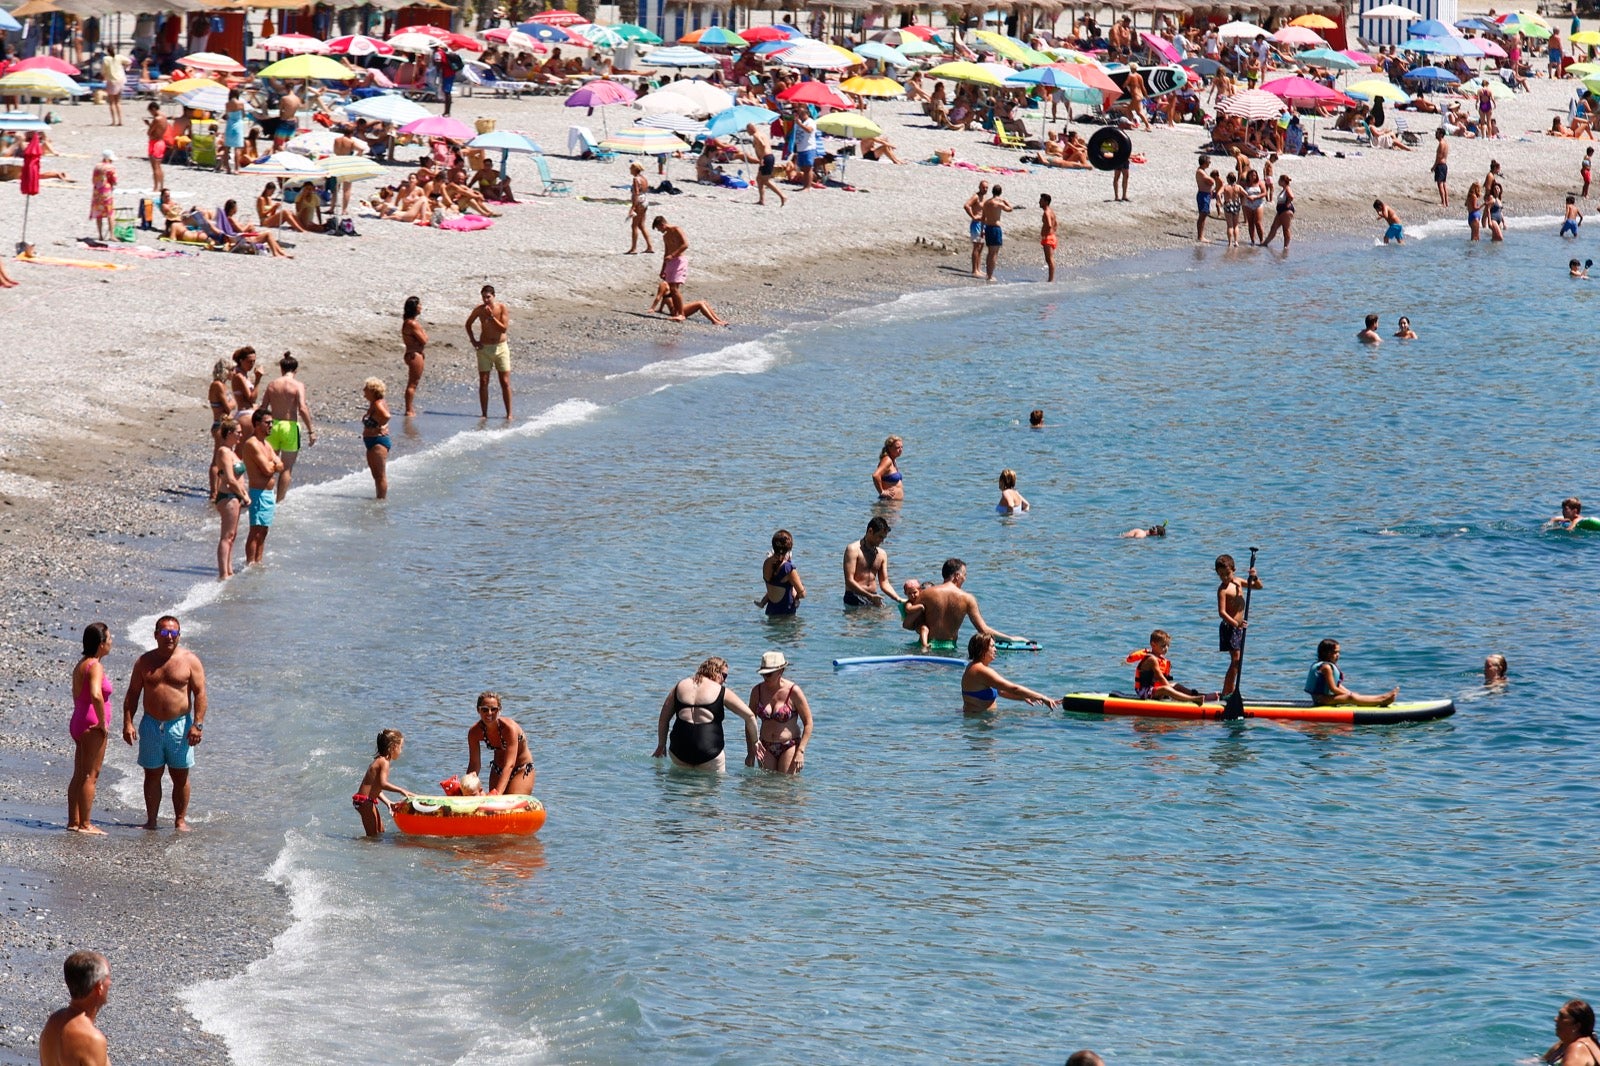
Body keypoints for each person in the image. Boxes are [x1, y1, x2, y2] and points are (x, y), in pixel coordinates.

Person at [121, 615, 207, 831]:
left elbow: (200, 694)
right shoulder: (144, 662)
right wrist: (128, 723)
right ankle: (151, 820)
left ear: (179, 635)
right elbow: (132, 694)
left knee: (180, 774)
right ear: (156, 635)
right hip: (151, 724)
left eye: (174, 633)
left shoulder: (190, 661)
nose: (170, 637)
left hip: (180, 725)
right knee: (152, 774)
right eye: (165, 632)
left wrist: (198, 724)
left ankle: (180, 820)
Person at [652, 657, 759, 772]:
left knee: (678, 788)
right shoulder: (720, 691)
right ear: (716, 671)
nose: (724, 680)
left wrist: (661, 745)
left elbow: (663, 719)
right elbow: (750, 716)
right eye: (724, 675)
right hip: (710, 753)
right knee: (710, 789)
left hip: (679, 751)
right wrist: (755, 742)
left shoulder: (680, 686)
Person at [68, 622, 113, 834]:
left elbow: (79, 694)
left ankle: (74, 821)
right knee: (91, 775)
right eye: (109, 638)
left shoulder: (81, 664)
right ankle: (85, 824)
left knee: (79, 772)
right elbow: (96, 694)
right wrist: (103, 723)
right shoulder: (95, 665)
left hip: (79, 720)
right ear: (101, 643)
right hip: (91, 724)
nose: (112, 642)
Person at [919, 558, 1027, 645]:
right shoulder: (967, 599)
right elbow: (983, 630)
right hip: (949, 648)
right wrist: (1011, 639)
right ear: (957, 576)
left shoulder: (927, 593)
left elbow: (908, 623)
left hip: (925, 645)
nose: (965, 579)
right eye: (964, 575)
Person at [650, 215, 728, 325]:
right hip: (670, 262)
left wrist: (673, 255)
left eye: (659, 228)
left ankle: (681, 314)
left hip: (678, 260)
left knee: (674, 288)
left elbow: (685, 244)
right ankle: (714, 320)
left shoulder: (677, 229)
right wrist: (663, 269)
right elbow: (666, 253)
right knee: (673, 288)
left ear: (662, 224)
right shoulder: (665, 237)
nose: (660, 231)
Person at [38, 951, 111, 1066]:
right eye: (108, 976)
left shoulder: (53, 1022)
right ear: (99, 987)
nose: (110, 982)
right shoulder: (92, 1039)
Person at [262, 352, 316, 501]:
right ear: (296, 370)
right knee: (286, 468)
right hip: (290, 426)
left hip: (273, 425)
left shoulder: (272, 384)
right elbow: (303, 408)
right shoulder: (298, 385)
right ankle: (279, 501)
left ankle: (265, 497)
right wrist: (311, 430)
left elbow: (263, 407)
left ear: (281, 369)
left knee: (270, 464)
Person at [961, 633, 1059, 713]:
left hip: (978, 721)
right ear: (983, 649)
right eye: (992, 646)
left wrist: (1025, 697)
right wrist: (1042, 697)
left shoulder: (973, 667)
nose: (996, 650)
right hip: (980, 723)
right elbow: (1014, 688)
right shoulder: (981, 670)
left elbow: (1001, 691)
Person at [748, 651, 811, 773]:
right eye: (763, 674)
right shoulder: (757, 691)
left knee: (784, 786)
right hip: (765, 745)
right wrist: (750, 752)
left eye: (769, 674)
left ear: (781, 671)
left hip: (789, 745)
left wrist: (800, 751)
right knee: (766, 789)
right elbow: (750, 721)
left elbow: (808, 722)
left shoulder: (794, 691)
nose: (765, 677)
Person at [465, 691, 535, 795]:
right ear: (478, 710)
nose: (489, 713)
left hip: (521, 769)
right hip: (498, 769)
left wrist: (497, 793)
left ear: (499, 710)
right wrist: (466, 787)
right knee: (491, 807)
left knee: (509, 803)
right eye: (484, 709)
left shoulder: (509, 729)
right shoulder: (474, 732)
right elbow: (474, 764)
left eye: (494, 709)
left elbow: (509, 764)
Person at [239, 409, 282, 565]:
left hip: (269, 493)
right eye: (267, 423)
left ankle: (258, 561)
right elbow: (268, 469)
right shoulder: (252, 444)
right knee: (256, 530)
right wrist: (273, 464)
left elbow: (280, 465)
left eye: (272, 423)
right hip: (258, 493)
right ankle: (250, 563)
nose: (271, 426)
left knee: (264, 530)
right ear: (257, 424)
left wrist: (273, 464)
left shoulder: (266, 444)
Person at [1216, 553, 1262, 697]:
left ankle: (1229, 690)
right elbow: (1222, 612)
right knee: (1236, 660)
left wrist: (1254, 577)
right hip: (1229, 627)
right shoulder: (1222, 590)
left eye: (1227, 574)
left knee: (1237, 660)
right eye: (1221, 575)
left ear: (1234, 570)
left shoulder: (1238, 582)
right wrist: (1236, 623)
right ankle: (1227, 692)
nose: (1224, 577)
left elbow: (1258, 587)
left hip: (1238, 628)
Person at [207, 417, 248, 579]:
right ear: (229, 433)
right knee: (226, 536)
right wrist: (244, 495)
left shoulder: (231, 451)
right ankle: (223, 573)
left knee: (232, 536)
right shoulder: (223, 451)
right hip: (228, 496)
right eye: (238, 432)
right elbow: (230, 479)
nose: (241, 435)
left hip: (234, 497)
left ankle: (229, 570)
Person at [352, 729, 413, 836]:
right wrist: (401, 790)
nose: (401, 751)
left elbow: (375, 787)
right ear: (393, 747)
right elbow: (383, 784)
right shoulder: (383, 762)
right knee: (373, 837)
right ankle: (362, 849)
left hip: (366, 801)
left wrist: (388, 802)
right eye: (401, 747)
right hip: (365, 802)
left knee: (380, 832)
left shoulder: (380, 760)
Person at [465, 283, 513, 419]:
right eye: (483, 297)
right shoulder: (479, 310)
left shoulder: (501, 308)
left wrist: (491, 317)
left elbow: (503, 328)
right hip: (484, 348)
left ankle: (509, 414)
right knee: (484, 381)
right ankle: (484, 413)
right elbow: (468, 324)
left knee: (504, 381)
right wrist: (473, 341)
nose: (486, 300)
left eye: (488, 297)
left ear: (494, 296)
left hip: (501, 347)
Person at [1305, 638, 1398, 706]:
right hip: (1321, 700)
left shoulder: (1326, 666)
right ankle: (1382, 700)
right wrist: (1349, 695)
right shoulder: (1326, 668)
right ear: (1325, 653)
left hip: (1324, 698)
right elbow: (1333, 689)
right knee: (1350, 698)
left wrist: (1350, 692)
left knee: (1353, 695)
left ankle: (1380, 698)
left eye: (1338, 652)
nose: (1338, 655)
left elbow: (1338, 685)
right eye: (1335, 652)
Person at [1127, 629, 1207, 703]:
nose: (1166, 648)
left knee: (1176, 685)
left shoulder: (1159, 658)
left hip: (1152, 690)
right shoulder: (1152, 659)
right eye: (1163, 646)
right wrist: (1171, 690)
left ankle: (1201, 696)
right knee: (1166, 689)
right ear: (1153, 644)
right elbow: (1160, 677)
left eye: (1168, 645)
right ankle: (1193, 699)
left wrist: (1172, 688)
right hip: (1144, 692)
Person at [843, 515, 904, 607]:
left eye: (884, 538)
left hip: (873, 596)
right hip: (854, 596)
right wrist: (870, 596)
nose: (882, 541)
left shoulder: (882, 554)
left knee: (887, 616)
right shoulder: (853, 550)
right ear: (870, 531)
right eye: (880, 537)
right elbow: (849, 581)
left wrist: (898, 599)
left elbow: (884, 583)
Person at [756, 528, 806, 615]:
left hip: (770, 612)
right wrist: (796, 597)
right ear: (789, 548)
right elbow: (802, 594)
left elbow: (774, 587)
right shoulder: (788, 568)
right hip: (786, 615)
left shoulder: (766, 563)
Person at [1544, 1000, 1600, 1065]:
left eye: (1562, 1016)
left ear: (1576, 1026)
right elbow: (1539, 1060)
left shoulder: (1577, 1048)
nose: (1555, 1019)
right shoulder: (1563, 1044)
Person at [361, 377, 390, 500]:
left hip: (378, 442)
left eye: (366, 389)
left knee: (380, 475)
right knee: (375, 474)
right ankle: (379, 497)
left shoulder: (378, 404)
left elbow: (387, 416)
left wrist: (380, 426)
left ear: (373, 391)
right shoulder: (374, 403)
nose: (363, 391)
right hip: (371, 441)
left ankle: (381, 501)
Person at [747, 123, 786, 208]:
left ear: (751, 129)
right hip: (769, 157)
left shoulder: (756, 135)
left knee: (765, 180)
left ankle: (782, 196)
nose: (747, 132)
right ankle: (761, 200)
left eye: (747, 130)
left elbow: (763, 145)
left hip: (766, 158)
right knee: (759, 179)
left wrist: (762, 159)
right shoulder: (761, 134)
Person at [980, 185, 1014, 282]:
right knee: (994, 253)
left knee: (990, 252)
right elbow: (1010, 209)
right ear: (1000, 192)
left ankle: (988, 274)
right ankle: (990, 276)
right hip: (995, 228)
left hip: (987, 228)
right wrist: (1004, 201)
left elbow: (983, 218)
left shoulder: (986, 203)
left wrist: (982, 230)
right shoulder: (998, 203)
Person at [401, 295, 426, 417]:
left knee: (413, 382)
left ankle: (409, 408)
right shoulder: (412, 324)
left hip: (411, 353)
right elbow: (424, 340)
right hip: (415, 354)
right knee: (413, 383)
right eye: (419, 305)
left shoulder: (407, 322)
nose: (421, 307)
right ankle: (409, 409)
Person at [626, 162, 654, 252]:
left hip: (639, 202)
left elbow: (636, 194)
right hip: (645, 200)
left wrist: (633, 207)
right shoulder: (644, 178)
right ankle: (650, 246)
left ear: (635, 169)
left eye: (631, 168)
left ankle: (634, 248)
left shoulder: (636, 179)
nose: (630, 169)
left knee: (634, 225)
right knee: (641, 225)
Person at [964, 180, 989, 276]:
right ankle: (974, 270)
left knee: (981, 246)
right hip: (976, 224)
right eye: (983, 187)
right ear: (979, 187)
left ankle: (978, 268)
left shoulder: (985, 198)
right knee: (976, 246)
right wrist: (973, 216)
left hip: (983, 224)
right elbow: (966, 206)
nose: (985, 189)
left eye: (986, 188)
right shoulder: (976, 197)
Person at [89, 150, 116, 242]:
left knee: (99, 213)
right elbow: (114, 180)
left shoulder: (97, 166)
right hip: (106, 191)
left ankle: (100, 235)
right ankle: (112, 235)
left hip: (97, 191)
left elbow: (93, 180)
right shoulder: (110, 167)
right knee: (110, 213)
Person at [1263, 174, 1294, 249]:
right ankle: (1265, 243)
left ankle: (1286, 246)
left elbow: (1291, 196)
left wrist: (1288, 203)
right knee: (1273, 227)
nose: (1278, 182)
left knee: (1285, 229)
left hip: (1286, 210)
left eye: (1279, 180)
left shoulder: (1287, 188)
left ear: (1283, 181)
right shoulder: (1284, 189)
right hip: (1280, 210)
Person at [873, 435, 904, 500]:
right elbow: (875, 475)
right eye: (897, 447)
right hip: (887, 504)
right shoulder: (887, 460)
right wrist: (882, 492)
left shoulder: (893, 460)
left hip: (893, 505)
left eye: (901, 447)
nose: (900, 450)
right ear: (889, 448)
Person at [144, 101, 166, 191]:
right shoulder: (164, 117)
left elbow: (149, 132)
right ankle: (161, 186)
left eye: (150, 111)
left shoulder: (157, 119)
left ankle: (155, 187)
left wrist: (148, 125)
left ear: (153, 109)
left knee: (155, 167)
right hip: (161, 141)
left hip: (155, 142)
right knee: (159, 166)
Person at [102, 50, 125, 127]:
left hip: (111, 80)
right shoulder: (119, 57)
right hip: (120, 79)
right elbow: (129, 61)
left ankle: (114, 121)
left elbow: (103, 71)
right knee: (118, 102)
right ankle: (120, 120)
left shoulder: (106, 59)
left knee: (112, 102)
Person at [1195, 155, 1215, 242]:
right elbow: (1211, 181)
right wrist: (1212, 180)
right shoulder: (1200, 172)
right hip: (1203, 195)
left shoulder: (1203, 171)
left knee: (1204, 215)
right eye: (1209, 162)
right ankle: (1200, 236)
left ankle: (1201, 235)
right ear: (1204, 162)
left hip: (1206, 195)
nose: (1210, 163)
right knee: (1202, 215)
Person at [1039, 192, 1058, 282]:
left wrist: (1045, 235)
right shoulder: (1051, 211)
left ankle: (1051, 280)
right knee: (1049, 259)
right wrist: (1053, 232)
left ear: (1046, 202)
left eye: (1041, 200)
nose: (1039, 202)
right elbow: (1056, 224)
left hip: (1048, 238)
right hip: (1052, 236)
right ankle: (1051, 279)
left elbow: (1050, 225)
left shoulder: (1047, 212)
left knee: (1049, 259)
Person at [1433, 127, 1449, 206]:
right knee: (1443, 183)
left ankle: (1443, 202)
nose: (1436, 134)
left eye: (1437, 133)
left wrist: (1434, 166)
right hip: (1444, 165)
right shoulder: (1445, 143)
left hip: (1441, 165)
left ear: (1441, 134)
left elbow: (1439, 157)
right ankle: (1446, 202)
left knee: (1440, 184)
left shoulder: (1441, 144)